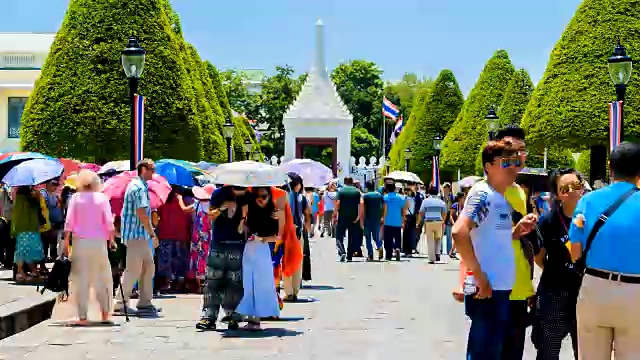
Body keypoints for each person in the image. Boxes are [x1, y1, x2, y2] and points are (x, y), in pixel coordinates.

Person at [452, 140, 537, 360]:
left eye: (515, 162)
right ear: (488, 166)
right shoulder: (483, 194)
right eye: (505, 162)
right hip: (488, 290)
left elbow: (489, 238)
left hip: (499, 289)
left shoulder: (499, 197)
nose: (512, 167)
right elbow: (459, 232)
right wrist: (478, 276)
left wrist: (515, 232)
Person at [569, 142, 640, 360]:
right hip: (635, 291)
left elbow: (575, 253)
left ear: (610, 166)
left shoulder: (587, 201)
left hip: (595, 287)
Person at [529, 168, 582, 360]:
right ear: (558, 194)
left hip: (584, 293)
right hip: (554, 293)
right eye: (565, 188)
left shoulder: (593, 218)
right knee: (548, 352)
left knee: (586, 352)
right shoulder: (547, 221)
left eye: (577, 185)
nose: (572, 191)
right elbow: (539, 257)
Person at [494, 126, 536, 360]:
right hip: (495, 287)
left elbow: (522, 242)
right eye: (510, 150)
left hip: (519, 287)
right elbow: (468, 235)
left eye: (522, 150)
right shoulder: (486, 190)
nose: (518, 156)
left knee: (514, 353)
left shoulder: (520, 191)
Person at [62, 170, 116, 325]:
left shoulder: (76, 198)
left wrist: (66, 242)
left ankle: (83, 317)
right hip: (99, 242)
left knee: (81, 279)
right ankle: (105, 314)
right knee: (102, 277)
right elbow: (109, 222)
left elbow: (69, 222)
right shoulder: (102, 198)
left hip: (80, 242)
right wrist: (111, 240)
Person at [197, 185, 249, 330]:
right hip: (219, 243)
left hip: (237, 244)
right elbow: (210, 215)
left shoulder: (246, 196)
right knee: (213, 280)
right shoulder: (219, 193)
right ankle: (209, 316)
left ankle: (233, 315)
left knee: (235, 282)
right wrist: (222, 208)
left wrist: (243, 218)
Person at [114, 159, 160, 315]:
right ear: (143, 169)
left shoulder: (139, 186)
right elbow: (141, 213)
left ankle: (145, 302)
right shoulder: (138, 187)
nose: (154, 172)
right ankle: (120, 303)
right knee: (133, 269)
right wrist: (152, 233)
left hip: (139, 235)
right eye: (152, 169)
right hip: (137, 235)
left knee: (148, 267)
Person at [237, 186, 285, 330]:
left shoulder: (275, 212)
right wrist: (242, 220)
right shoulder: (249, 211)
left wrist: (265, 239)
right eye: (258, 197)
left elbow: (278, 237)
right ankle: (251, 317)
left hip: (263, 249)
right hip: (249, 248)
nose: (261, 200)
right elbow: (240, 231)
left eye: (264, 196)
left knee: (261, 283)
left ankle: (258, 317)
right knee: (248, 282)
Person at [155, 186, 193, 293]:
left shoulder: (162, 198)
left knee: (165, 260)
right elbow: (186, 212)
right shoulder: (181, 198)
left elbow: (158, 215)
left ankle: (166, 283)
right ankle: (179, 283)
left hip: (165, 233)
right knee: (180, 260)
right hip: (180, 233)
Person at [283, 174, 310, 301]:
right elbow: (308, 213)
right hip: (298, 232)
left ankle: (288, 291)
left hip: (286, 233)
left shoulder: (283, 197)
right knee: (297, 261)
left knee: (286, 261)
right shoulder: (302, 198)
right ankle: (295, 290)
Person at [11, 186, 45, 283]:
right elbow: (37, 208)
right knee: (31, 250)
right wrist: (38, 196)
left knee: (22, 251)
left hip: (21, 229)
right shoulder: (32, 201)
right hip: (31, 228)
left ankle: (22, 272)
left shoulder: (18, 200)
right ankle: (24, 272)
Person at [188, 185, 214, 292]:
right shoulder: (212, 206)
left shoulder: (197, 204)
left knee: (197, 258)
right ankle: (205, 285)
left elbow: (188, 212)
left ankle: (198, 285)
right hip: (207, 236)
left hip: (197, 236)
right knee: (206, 258)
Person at [333, 176, 362, 262]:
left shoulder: (340, 191)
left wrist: (335, 214)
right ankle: (350, 255)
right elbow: (361, 203)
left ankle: (342, 251)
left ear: (344, 182)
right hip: (354, 217)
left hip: (342, 217)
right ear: (352, 182)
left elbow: (338, 203)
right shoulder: (357, 191)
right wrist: (359, 216)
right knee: (352, 236)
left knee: (339, 235)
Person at [417, 186, 446, 264]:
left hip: (429, 221)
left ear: (429, 192)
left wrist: (418, 222)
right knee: (438, 238)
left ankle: (432, 258)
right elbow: (444, 212)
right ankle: (437, 253)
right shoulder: (441, 202)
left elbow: (421, 212)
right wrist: (443, 221)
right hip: (439, 221)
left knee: (430, 240)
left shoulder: (425, 201)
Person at [382, 182, 406, 261]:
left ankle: (389, 254)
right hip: (397, 221)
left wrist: (383, 218)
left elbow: (384, 210)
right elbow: (403, 211)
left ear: (387, 189)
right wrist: (403, 221)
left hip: (388, 221)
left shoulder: (385, 198)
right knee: (397, 237)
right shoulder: (401, 198)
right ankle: (397, 248)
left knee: (387, 239)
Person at [40, 179, 63, 262]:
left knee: (53, 241)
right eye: (53, 184)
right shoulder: (43, 193)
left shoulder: (54, 195)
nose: (55, 186)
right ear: (47, 184)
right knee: (45, 243)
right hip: (47, 223)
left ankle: (52, 257)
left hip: (55, 223)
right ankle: (44, 260)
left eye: (57, 184)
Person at [362, 181, 383, 261]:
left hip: (368, 219)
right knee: (376, 236)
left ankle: (370, 254)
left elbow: (363, 208)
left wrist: (362, 218)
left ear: (367, 187)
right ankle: (379, 246)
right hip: (377, 218)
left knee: (368, 238)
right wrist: (381, 216)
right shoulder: (379, 195)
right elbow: (383, 206)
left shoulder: (365, 196)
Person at [447, 192, 464, 259]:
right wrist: (454, 223)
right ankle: (453, 252)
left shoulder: (464, 205)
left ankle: (452, 252)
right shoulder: (455, 205)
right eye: (463, 197)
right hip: (456, 224)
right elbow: (451, 215)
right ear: (460, 198)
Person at [402, 186, 417, 257]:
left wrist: (403, 218)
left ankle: (406, 250)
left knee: (406, 234)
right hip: (412, 217)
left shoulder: (407, 199)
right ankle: (410, 250)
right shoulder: (413, 199)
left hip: (408, 217)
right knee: (411, 234)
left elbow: (405, 209)